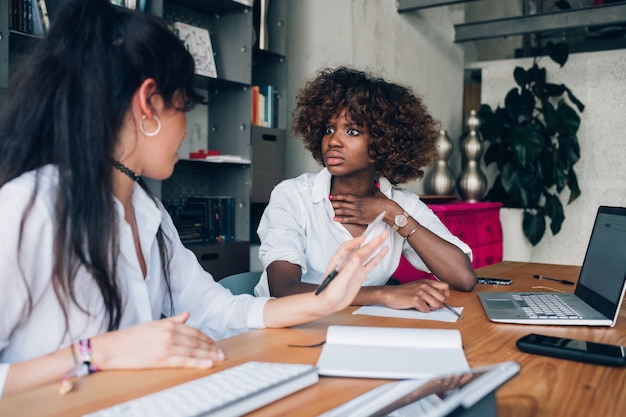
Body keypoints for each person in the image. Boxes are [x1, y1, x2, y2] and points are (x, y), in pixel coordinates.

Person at [0, 1, 389, 397]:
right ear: (148, 104)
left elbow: (219, 311)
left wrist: (327, 299)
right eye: (185, 107)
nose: (187, 130)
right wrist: (94, 352)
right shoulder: (28, 211)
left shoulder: (148, 213)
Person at [254, 66, 476, 310]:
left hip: (354, 330)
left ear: (383, 142)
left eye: (352, 131)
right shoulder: (293, 197)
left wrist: (394, 215)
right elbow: (283, 289)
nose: (333, 141)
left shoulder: (401, 205)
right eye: (329, 129)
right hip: (283, 332)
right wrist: (383, 294)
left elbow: (463, 277)